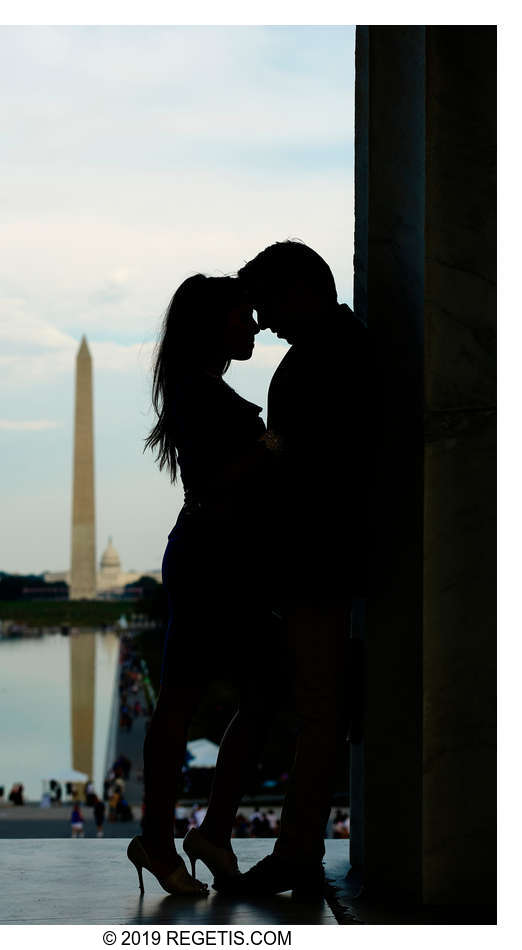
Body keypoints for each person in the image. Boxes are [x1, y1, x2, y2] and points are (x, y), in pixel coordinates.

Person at [128, 274, 279, 897]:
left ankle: (197, 834)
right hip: (213, 563)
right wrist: (272, 447)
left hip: (219, 561)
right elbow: (214, 490)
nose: (254, 326)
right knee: (198, 702)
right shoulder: (200, 393)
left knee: (257, 696)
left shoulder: (201, 390)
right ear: (213, 324)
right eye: (243, 315)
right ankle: (170, 840)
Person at [233, 240, 370, 895]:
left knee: (319, 710)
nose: (263, 323)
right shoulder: (341, 350)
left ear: (303, 289)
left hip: (318, 557)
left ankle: (295, 855)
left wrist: (262, 455)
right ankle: (298, 851)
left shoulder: (334, 358)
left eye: (267, 306)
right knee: (321, 708)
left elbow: (312, 468)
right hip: (322, 554)